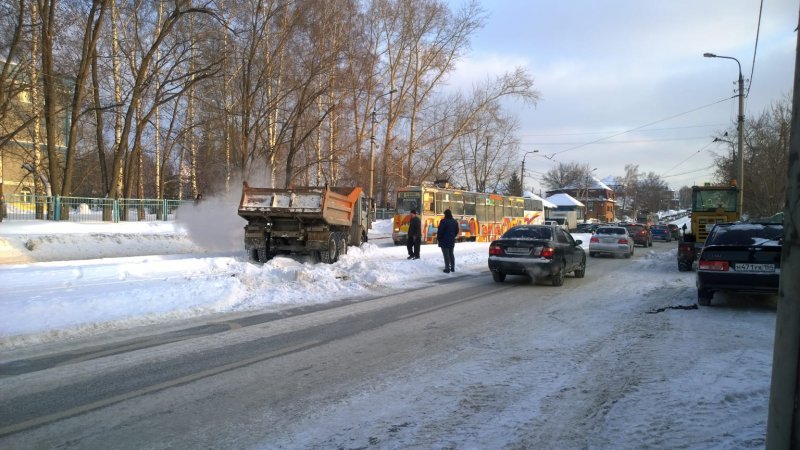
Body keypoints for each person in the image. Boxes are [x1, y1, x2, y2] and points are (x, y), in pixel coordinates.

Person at [437, 209, 459, 273]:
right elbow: (457, 230)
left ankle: (447, 268)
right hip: (451, 240)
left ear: (445, 214)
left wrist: (439, 238)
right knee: (451, 254)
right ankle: (452, 267)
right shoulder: (454, 221)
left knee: (446, 254)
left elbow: (440, 231)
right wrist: (453, 236)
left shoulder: (443, 221)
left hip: (444, 240)